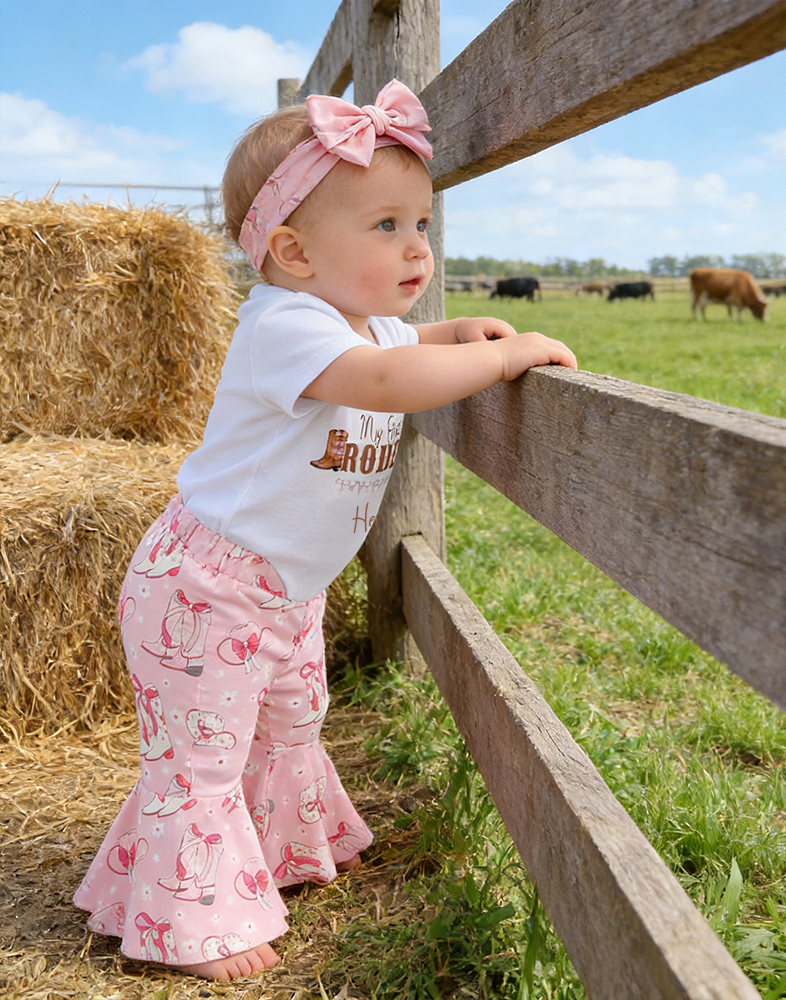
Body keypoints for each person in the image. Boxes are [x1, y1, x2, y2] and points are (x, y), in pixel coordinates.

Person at [73, 79, 577, 981]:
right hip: (207, 588)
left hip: (285, 587)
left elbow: (401, 348)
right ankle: (196, 923)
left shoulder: (364, 320)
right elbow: (383, 383)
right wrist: (500, 357)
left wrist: (454, 328)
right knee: (204, 759)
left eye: (419, 224)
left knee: (293, 721)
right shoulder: (285, 326)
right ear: (294, 252)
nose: (416, 247)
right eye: (385, 227)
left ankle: (275, 852)